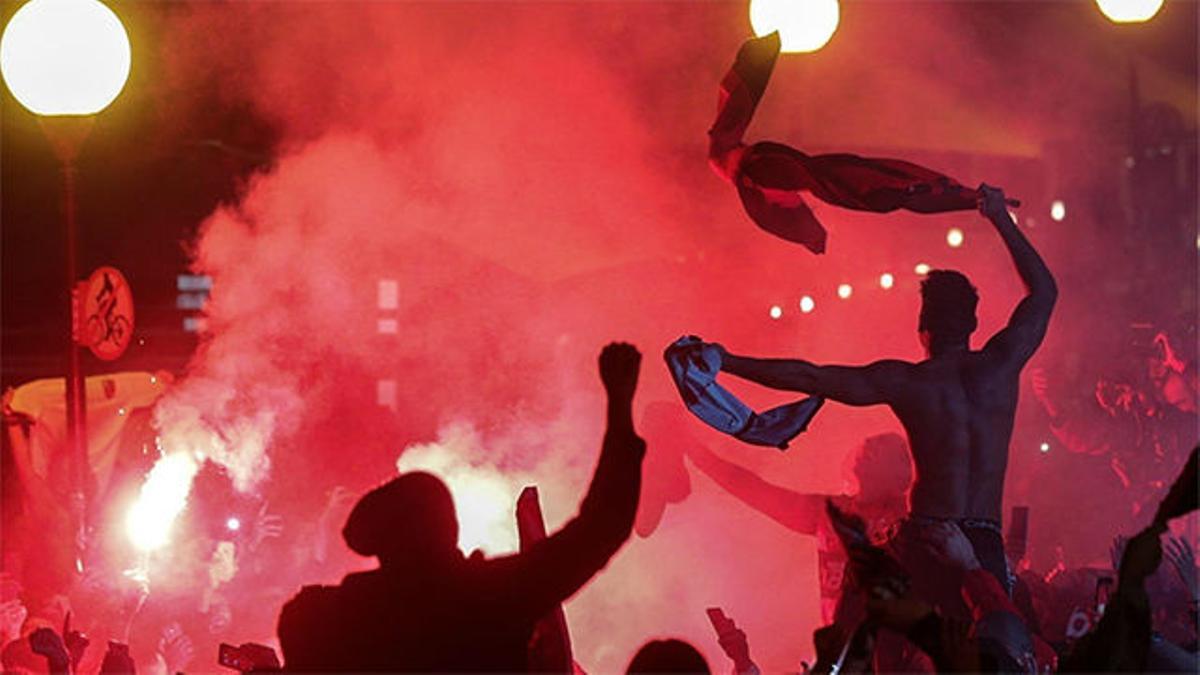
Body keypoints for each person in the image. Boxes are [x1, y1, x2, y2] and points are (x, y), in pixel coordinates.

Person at [713, 184, 1056, 609]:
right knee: (986, 653)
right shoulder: (1001, 366)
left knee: (889, 649)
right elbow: (1044, 293)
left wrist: (726, 361)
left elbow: (811, 377)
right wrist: (1000, 218)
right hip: (982, 537)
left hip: (928, 538)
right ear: (972, 325)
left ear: (923, 330)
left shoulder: (910, 382)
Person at [276, 343, 646, 672]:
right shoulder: (489, 594)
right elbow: (601, 528)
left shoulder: (331, 617)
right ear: (443, 529)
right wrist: (619, 407)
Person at [686, 430, 911, 626]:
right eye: (868, 446)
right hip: (844, 652)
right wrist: (696, 452)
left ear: (898, 472)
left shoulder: (912, 523)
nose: (868, 446)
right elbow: (756, 490)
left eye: (880, 449)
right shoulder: (830, 513)